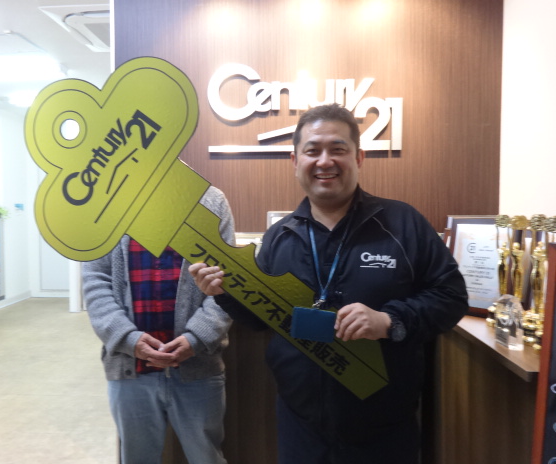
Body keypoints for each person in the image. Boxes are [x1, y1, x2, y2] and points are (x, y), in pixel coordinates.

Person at [190, 104, 468, 464]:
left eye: (338, 149)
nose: (325, 161)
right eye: (313, 150)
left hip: (384, 428)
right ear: (295, 160)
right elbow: (261, 319)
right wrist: (223, 294)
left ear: (359, 157)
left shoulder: (402, 223)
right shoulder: (278, 237)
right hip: (301, 426)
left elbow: (451, 296)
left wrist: (389, 320)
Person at [82, 185, 235, 464]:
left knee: (206, 458)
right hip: (130, 369)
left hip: (198, 367)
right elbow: (95, 281)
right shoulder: (107, 198)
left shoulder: (210, 200)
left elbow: (228, 282)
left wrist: (196, 338)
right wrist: (128, 339)